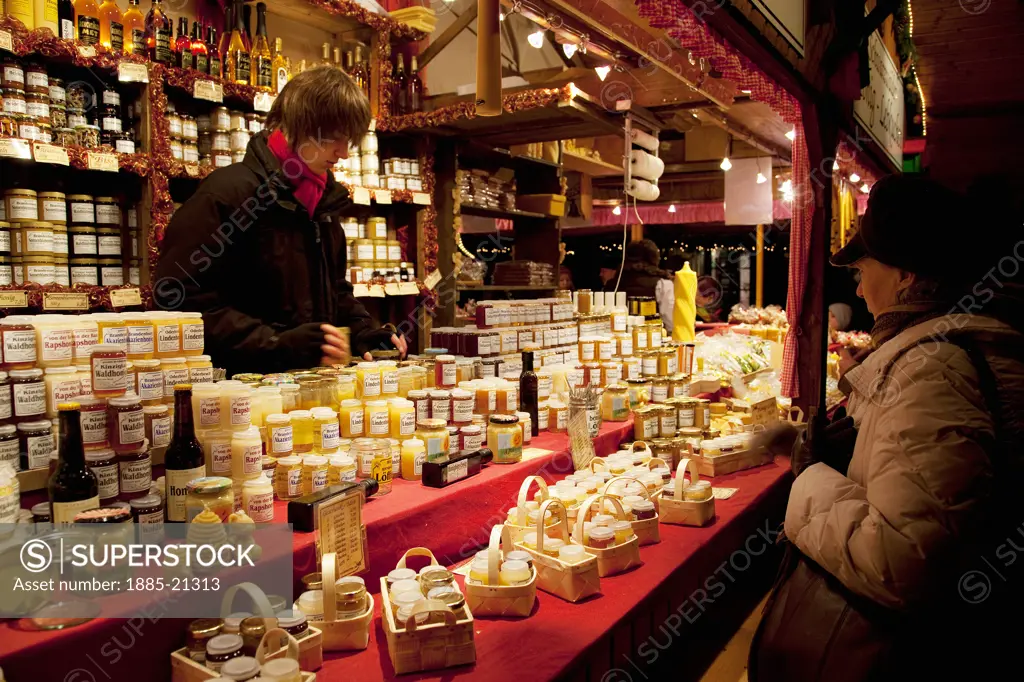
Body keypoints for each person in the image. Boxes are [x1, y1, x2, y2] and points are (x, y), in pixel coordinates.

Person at [750, 175, 1024, 680]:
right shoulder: (948, 349)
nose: (856, 284)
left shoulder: (933, 368)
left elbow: (903, 562)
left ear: (905, 275)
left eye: (863, 266)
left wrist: (813, 476)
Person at [155, 67, 406, 376]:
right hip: (237, 398)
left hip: (304, 394)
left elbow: (335, 290)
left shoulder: (322, 204)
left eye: (349, 141)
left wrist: (362, 330)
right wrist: (277, 343)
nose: (342, 153)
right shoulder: (228, 195)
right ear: (301, 126)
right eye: (335, 139)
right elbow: (177, 299)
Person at [607, 239, 674, 326]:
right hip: (652, 335)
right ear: (655, 258)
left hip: (617, 335)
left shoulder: (614, 282)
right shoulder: (662, 283)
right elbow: (670, 319)